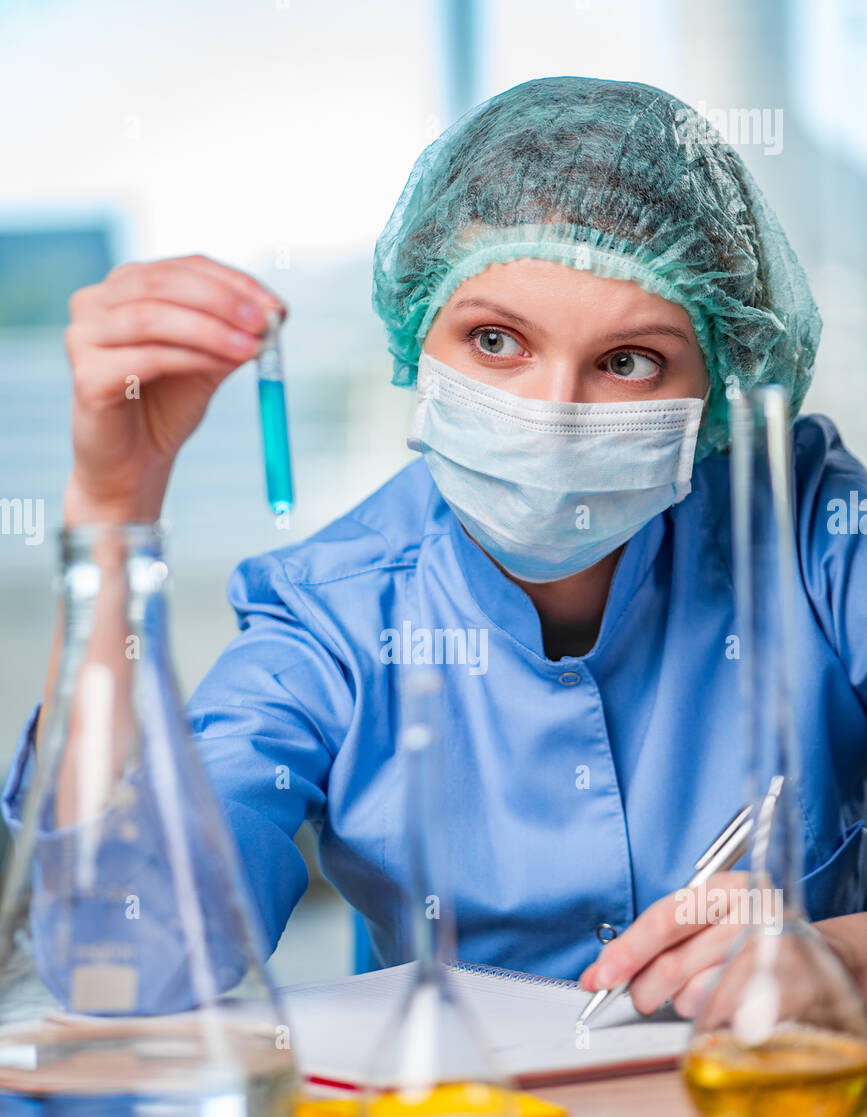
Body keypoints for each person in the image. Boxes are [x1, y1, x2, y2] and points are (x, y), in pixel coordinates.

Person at [4, 75, 867, 1013]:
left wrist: (835, 956)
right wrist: (114, 504)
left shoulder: (814, 530)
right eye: (496, 340)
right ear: (418, 340)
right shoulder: (328, 614)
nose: (551, 414)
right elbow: (129, 959)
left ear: (721, 383)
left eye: (628, 362)